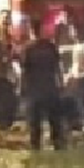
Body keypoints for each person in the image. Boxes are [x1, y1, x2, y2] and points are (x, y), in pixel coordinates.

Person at [18, 21, 65, 151]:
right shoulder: (50, 46)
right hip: (50, 87)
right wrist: (61, 84)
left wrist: (21, 89)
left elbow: (24, 70)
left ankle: (35, 145)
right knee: (54, 119)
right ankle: (57, 144)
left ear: (31, 31)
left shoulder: (27, 48)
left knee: (34, 121)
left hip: (34, 89)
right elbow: (58, 68)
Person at [56, 14, 84, 147]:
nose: (72, 33)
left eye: (73, 30)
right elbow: (76, 65)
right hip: (78, 80)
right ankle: (80, 131)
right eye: (70, 30)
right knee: (76, 106)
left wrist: (82, 75)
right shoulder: (76, 47)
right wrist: (69, 76)